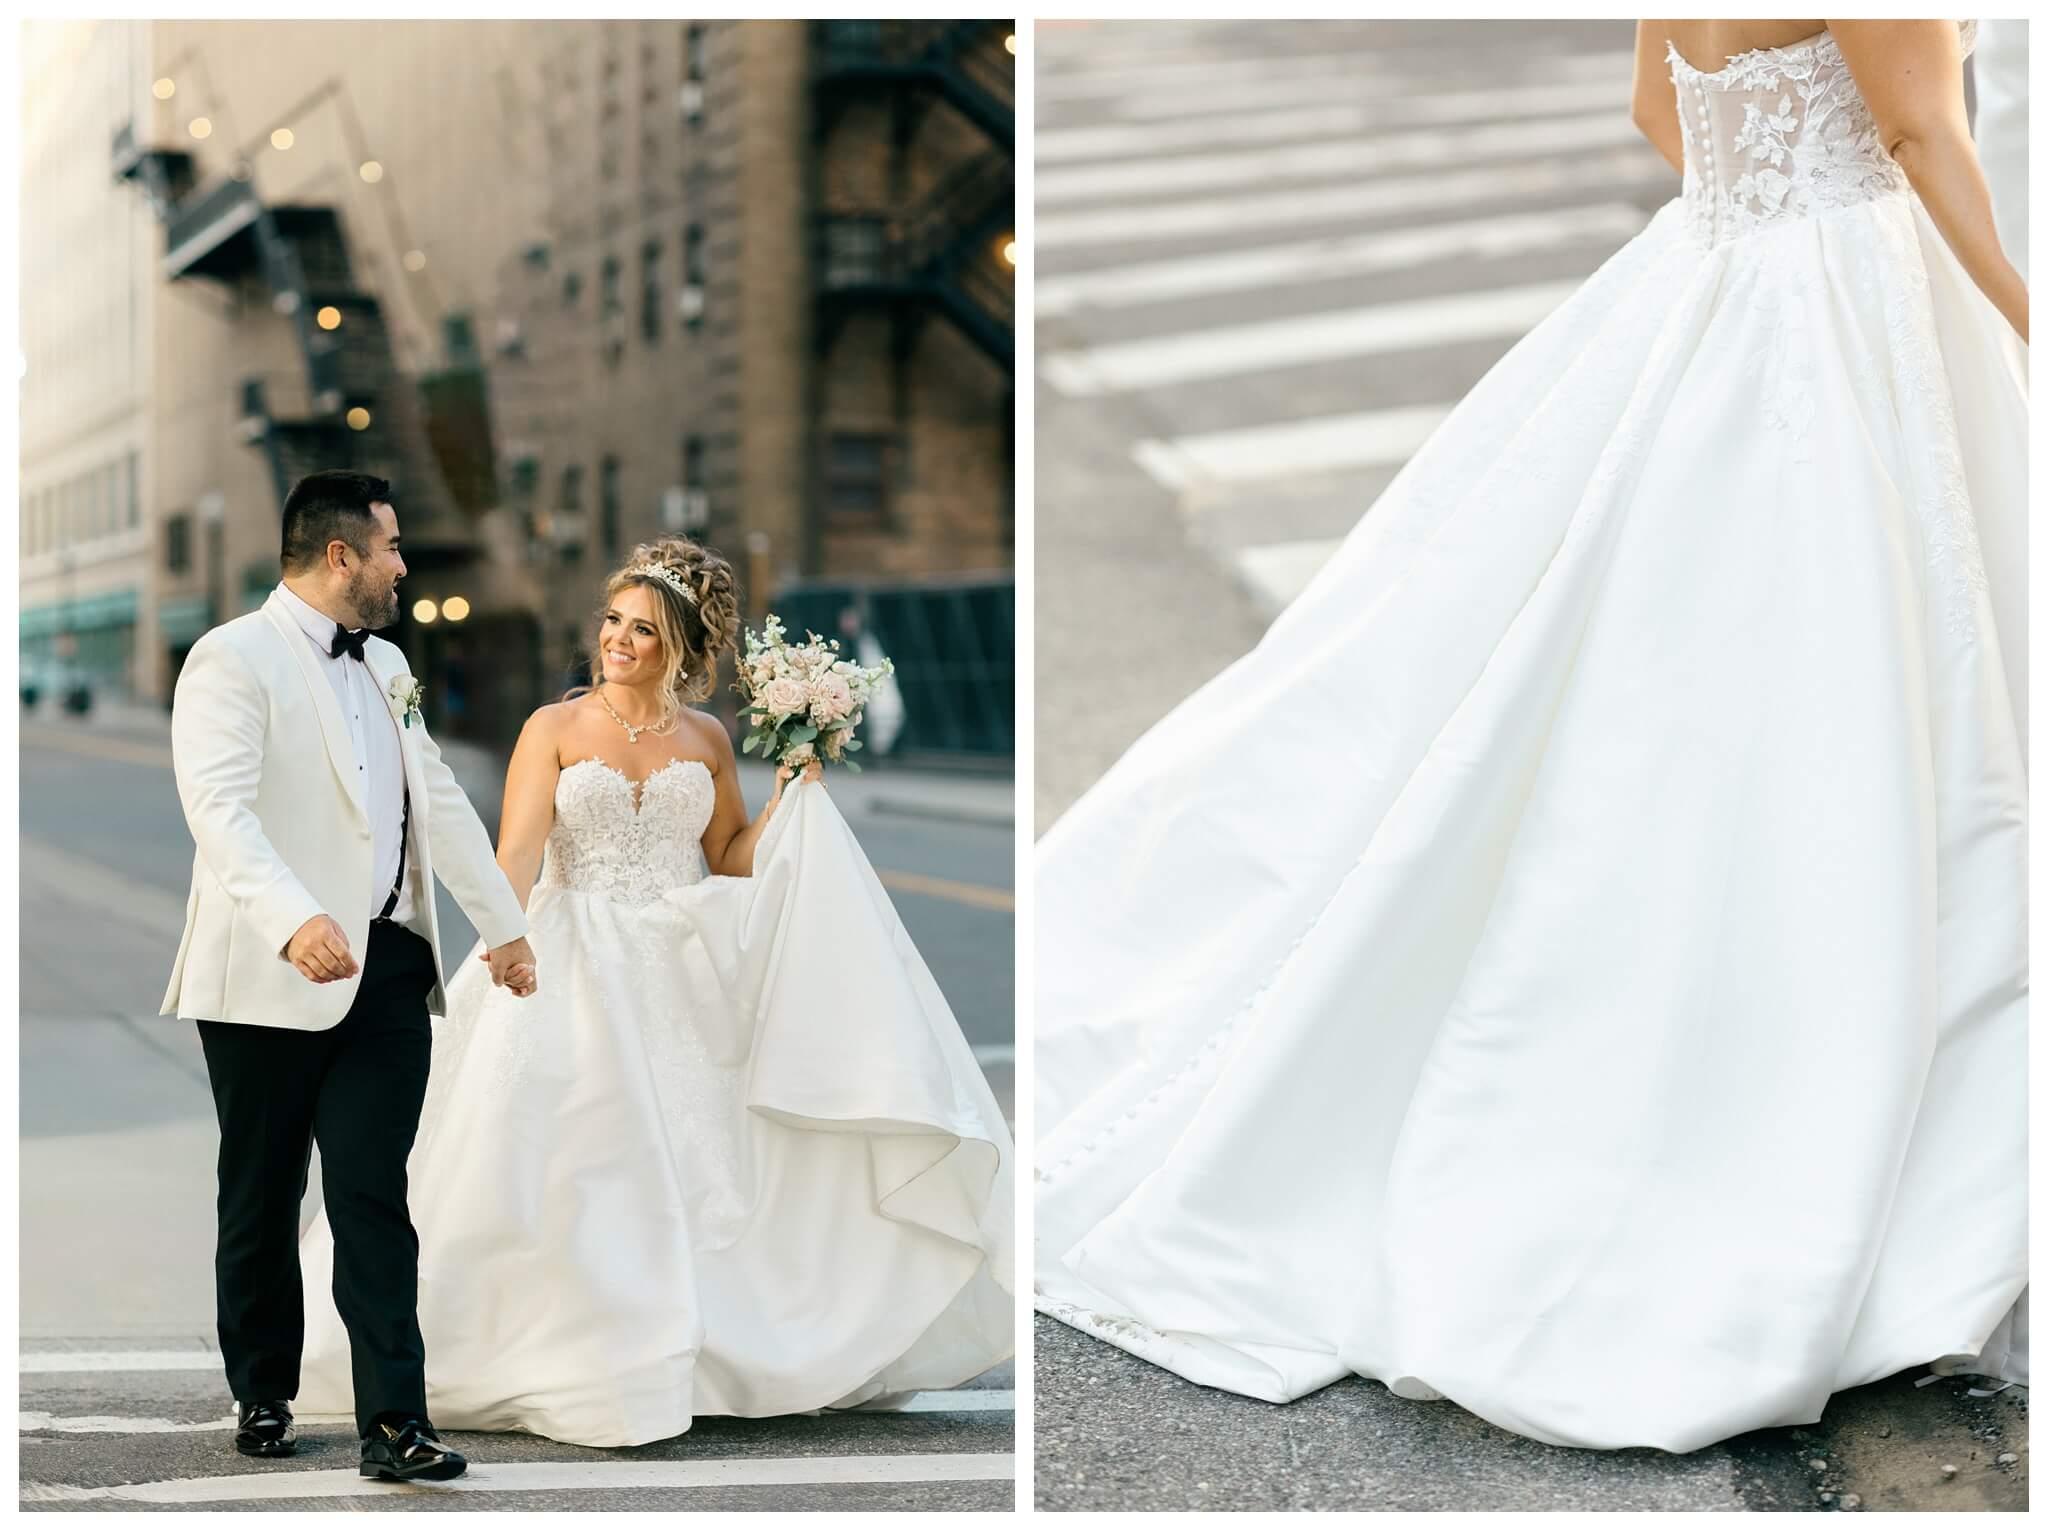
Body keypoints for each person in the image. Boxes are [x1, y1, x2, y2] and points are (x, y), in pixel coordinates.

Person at [1034, 20, 2026, 1453]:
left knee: (1680, 689)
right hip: (1847, 285)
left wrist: (1753, 213)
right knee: (1855, 692)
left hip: (1724, 273)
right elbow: (1928, 137)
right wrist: (2012, 315)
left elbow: (1653, 102)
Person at [293, 537, 1013, 1447]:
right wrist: (493, 946)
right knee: (575, 1158)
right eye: (612, 620)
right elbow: (514, 855)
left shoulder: (707, 740)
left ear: (680, 646)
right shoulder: (552, 729)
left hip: (684, 967)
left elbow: (728, 858)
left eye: (641, 628)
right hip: (570, 957)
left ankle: (714, 1347)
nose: (618, 640)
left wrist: (796, 788)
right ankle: (572, 1345)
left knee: (708, 1158)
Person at [163, 469, 540, 1481]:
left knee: (374, 1195)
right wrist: (293, 921)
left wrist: (501, 928)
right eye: (391, 547)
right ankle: (263, 1389)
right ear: (341, 556)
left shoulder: (385, 665)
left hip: (386, 969)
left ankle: (395, 1423)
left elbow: (442, 801)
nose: (403, 565)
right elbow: (219, 809)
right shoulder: (228, 658)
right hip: (268, 973)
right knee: (262, 1190)